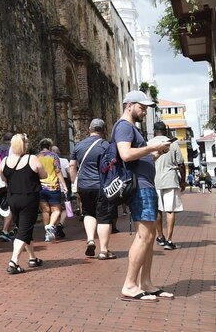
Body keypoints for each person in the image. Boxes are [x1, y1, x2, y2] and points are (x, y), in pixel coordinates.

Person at [115, 90, 172, 302]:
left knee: (149, 236)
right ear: (129, 105)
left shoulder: (131, 128)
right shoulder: (124, 126)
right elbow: (126, 154)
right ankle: (130, 284)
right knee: (145, 235)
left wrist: (156, 153)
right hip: (140, 187)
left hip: (145, 185)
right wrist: (151, 147)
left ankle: (145, 282)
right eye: (142, 107)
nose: (145, 111)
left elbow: (139, 157)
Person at [0, 133, 47, 273]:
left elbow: (4, 178)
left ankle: (32, 257)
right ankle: (13, 262)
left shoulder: (5, 161)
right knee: (23, 230)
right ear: (23, 145)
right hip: (29, 198)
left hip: (13, 198)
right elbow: (44, 175)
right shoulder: (32, 159)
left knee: (24, 228)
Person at [70, 118, 116, 259]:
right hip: (101, 185)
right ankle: (103, 250)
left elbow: (72, 166)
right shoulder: (106, 145)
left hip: (84, 185)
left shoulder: (78, 146)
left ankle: (90, 239)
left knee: (88, 212)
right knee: (104, 217)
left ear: (89, 129)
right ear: (103, 130)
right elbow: (113, 166)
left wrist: (75, 183)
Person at [153, 121, 185, 251]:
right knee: (170, 210)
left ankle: (160, 237)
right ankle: (169, 240)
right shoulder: (173, 144)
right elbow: (181, 164)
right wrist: (183, 180)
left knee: (157, 210)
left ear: (154, 131)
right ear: (165, 131)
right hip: (170, 180)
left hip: (154, 180)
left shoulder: (149, 144)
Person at [37, 138, 67, 242]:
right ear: (50, 147)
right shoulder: (54, 156)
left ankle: (47, 234)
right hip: (53, 186)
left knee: (45, 211)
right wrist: (64, 185)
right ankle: (51, 225)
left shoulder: (37, 157)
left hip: (40, 187)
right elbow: (58, 171)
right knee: (56, 210)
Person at [0, 132, 16, 242]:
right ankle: (5, 230)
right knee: (11, 205)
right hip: (11, 180)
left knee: (3, 204)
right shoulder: (15, 150)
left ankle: (7, 228)